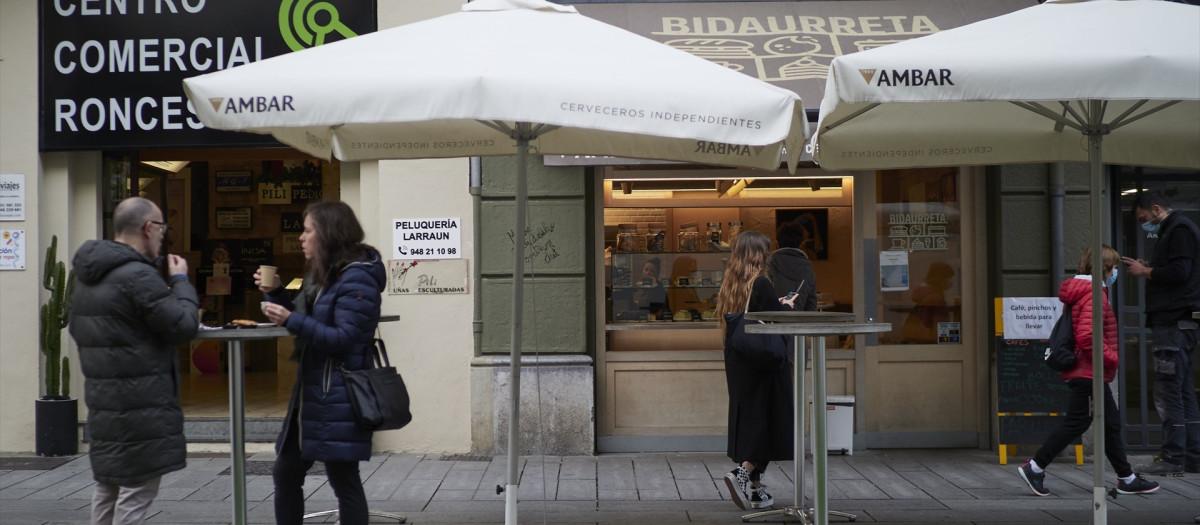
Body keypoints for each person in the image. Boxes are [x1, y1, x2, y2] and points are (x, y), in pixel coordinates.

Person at [69, 196, 199, 524]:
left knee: (108, 487)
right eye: (161, 228)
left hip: (105, 405)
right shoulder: (138, 276)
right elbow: (182, 326)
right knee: (136, 494)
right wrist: (181, 282)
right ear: (147, 227)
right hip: (141, 407)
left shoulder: (86, 277)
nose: (162, 236)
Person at [256, 201, 387, 525]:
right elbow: (306, 319)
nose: (301, 237)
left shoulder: (357, 279)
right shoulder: (324, 275)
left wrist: (290, 320)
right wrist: (275, 295)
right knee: (287, 473)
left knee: (343, 480)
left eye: (308, 230)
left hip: (337, 393)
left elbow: (342, 338)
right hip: (315, 392)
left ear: (328, 233)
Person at [1017, 245, 1159, 497]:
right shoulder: (1093, 295)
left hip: (1085, 372)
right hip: (1088, 372)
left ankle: (1126, 477)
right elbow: (1086, 336)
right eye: (1114, 267)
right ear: (1105, 267)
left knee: (1105, 423)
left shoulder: (1083, 292)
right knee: (1083, 423)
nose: (1116, 271)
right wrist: (1112, 356)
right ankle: (1035, 467)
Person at [715, 231, 799, 510]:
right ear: (758, 254)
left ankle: (756, 490)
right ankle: (742, 472)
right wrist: (785, 305)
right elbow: (776, 318)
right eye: (765, 251)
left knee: (752, 421)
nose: (768, 255)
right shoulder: (760, 283)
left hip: (741, 363)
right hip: (764, 363)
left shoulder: (730, 284)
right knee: (769, 421)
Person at [1121, 190, 1200, 476]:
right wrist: (1151, 268)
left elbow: (1180, 272)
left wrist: (1146, 272)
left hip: (1173, 320)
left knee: (1168, 390)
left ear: (1155, 209)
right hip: (1182, 319)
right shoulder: (1178, 229)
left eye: (1143, 218)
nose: (1144, 224)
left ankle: (1173, 456)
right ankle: (1191, 456)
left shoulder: (1178, 230)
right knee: (1181, 388)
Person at [768, 222, 818, 312]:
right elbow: (811, 308)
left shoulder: (766, 267)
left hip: (771, 322)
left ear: (776, 243)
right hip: (798, 323)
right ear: (801, 244)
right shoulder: (808, 272)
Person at [901, 261, 955, 343]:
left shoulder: (925, 295)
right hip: (928, 341)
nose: (950, 281)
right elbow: (940, 327)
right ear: (941, 278)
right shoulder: (936, 299)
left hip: (914, 339)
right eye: (948, 277)